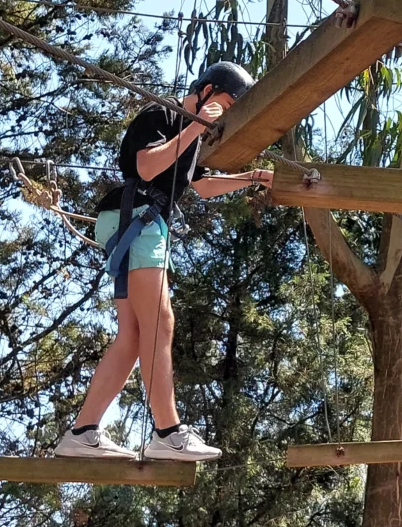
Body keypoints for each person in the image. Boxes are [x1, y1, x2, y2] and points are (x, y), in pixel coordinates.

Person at [54, 62, 272, 462]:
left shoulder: (189, 133)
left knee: (135, 335)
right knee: (161, 320)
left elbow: (200, 186)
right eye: (228, 103)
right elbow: (146, 166)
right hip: (136, 217)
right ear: (206, 91)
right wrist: (193, 126)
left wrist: (252, 177)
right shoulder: (163, 113)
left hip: (134, 223)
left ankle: (82, 432)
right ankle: (168, 432)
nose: (228, 112)